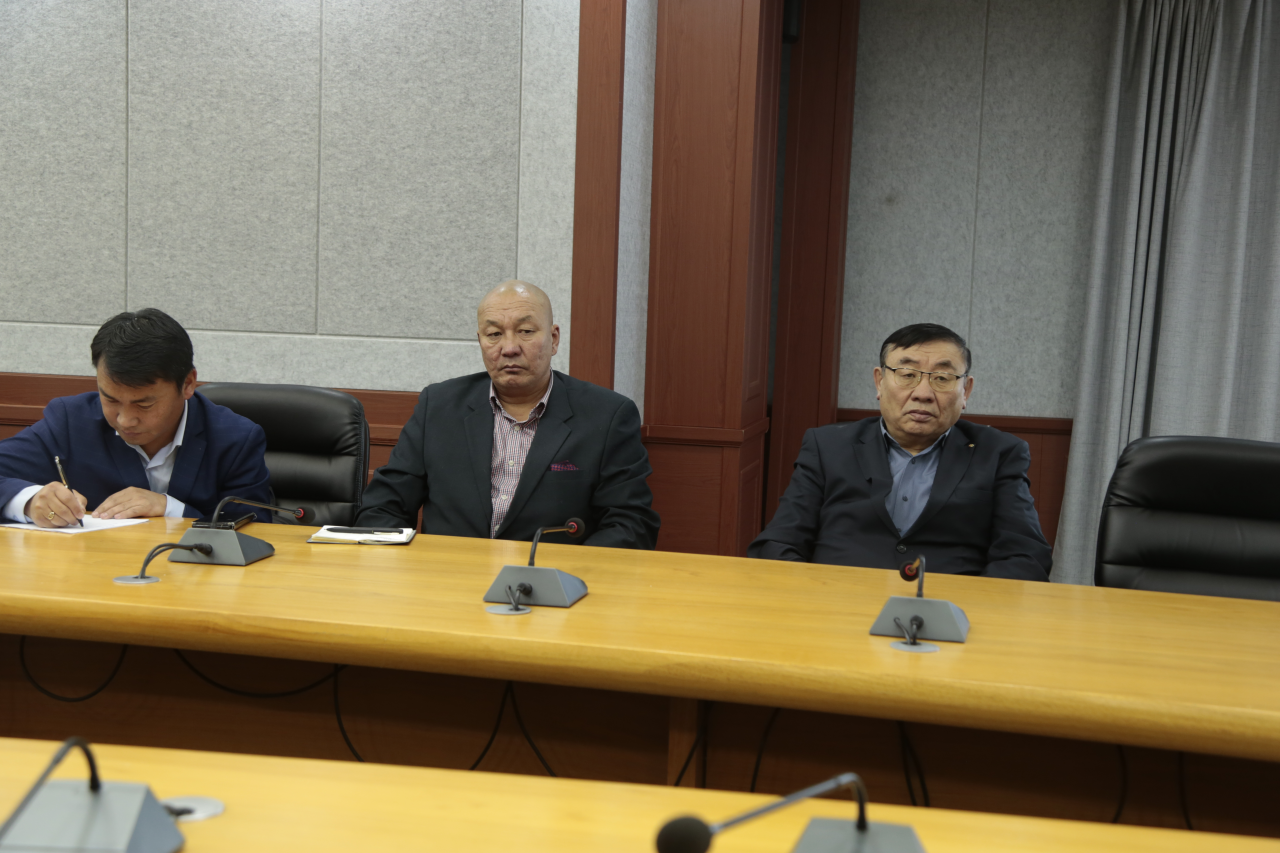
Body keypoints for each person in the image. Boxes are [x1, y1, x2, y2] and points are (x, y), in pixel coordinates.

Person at [357, 280, 659, 549]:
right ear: (480, 341)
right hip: (450, 581)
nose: (509, 347)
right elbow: (383, 507)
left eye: (526, 331)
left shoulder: (607, 415)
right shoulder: (438, 406)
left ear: (554, 339)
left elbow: (631, 525)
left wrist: (566, 575)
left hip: (551, 584)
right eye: (494, 334)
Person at [749, 323, 1051, 580]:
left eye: (942, 378)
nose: (923, 393)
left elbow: (1025, 555)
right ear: (880, 381)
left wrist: (969, 611)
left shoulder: (999, 453)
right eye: (907, 374)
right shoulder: (827, 446)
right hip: (837, 606)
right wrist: (813, 599)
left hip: (950, 614)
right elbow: (778, 543)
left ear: (966, 391)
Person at [0, 309, 273, 527]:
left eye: (144, 404)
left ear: (188, 384)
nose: (125, 420)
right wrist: (29, 501)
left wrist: (170, 509)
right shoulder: (71, 421)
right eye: (110, 400)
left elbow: (257, 526)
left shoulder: (235, 439)